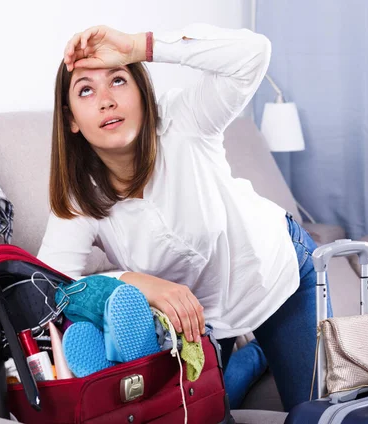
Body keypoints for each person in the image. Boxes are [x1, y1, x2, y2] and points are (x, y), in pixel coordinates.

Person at [37, 23, 332, 410]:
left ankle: (261, 349)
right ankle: (252, 356)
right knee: (206, 412)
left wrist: (137, 46)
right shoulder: (81, 196)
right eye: (86, 90)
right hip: (196, 321)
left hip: (276, 276)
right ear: (72, 119)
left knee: (316, 418)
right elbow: (43, 288)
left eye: (119, 80)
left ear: (142, 93)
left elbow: (254, 53)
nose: (106, 100)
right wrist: (132, 281)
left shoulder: (185, 120)